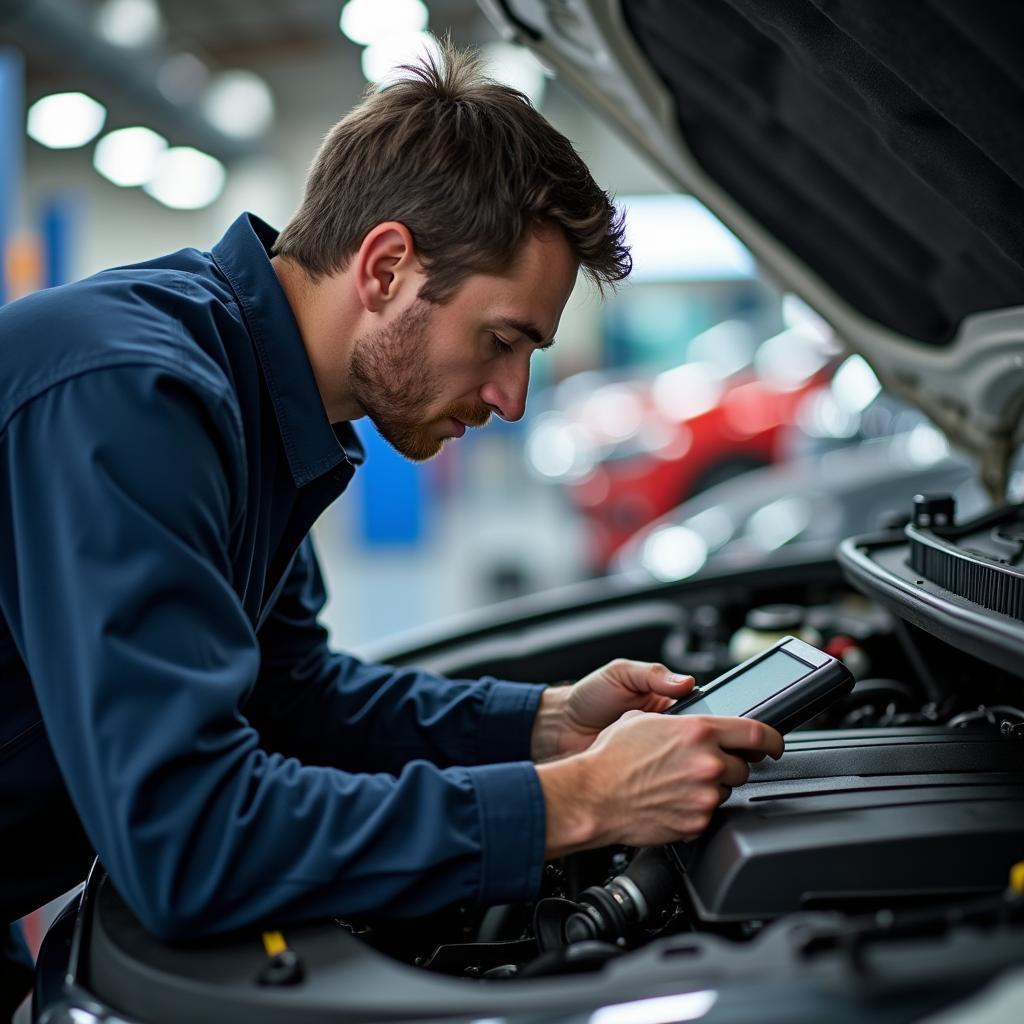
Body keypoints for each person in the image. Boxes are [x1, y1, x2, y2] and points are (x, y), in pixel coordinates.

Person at [0, 40, 782, 1012]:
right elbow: (185, 840)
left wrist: (544, 727)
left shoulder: (263, 407)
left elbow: (291, 699)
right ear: (385, 267)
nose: (509, 396)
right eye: (501, 341)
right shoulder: (132, 397)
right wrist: (577, 802)